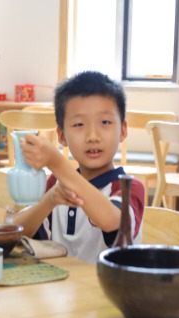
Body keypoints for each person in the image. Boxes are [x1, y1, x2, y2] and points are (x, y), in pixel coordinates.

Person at [13, 71, 144, 264]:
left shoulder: (128, 187)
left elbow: (110, 221)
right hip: (59, 288)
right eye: (79, 124)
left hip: (105, 292)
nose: (92, 136)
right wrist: (49, 200)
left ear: (123, 130)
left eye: (105, 122)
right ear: (62, 136)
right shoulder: (56, 183)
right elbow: (17, 232)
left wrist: (56, 162)